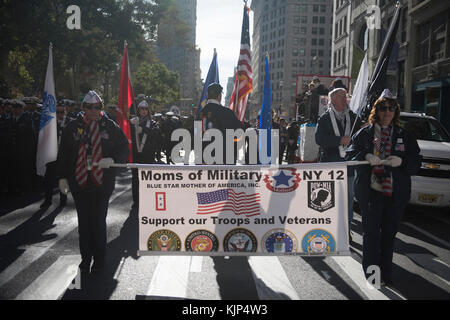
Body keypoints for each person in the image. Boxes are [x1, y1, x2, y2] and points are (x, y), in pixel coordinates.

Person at [346, 89, 421, 286]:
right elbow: (349, 154)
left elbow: (416, 162)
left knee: (389, 236)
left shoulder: (405, 135)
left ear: (395, 111)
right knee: (371, 236)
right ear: (376, 111)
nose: (387, 112)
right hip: (371, 193)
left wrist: (402, 162)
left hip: (395, 194)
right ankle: (372, 275)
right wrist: (366, 156)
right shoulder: (366, 133)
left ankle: (386, 274)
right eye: (383, 108)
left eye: (391, 108)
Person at [57, 90, 129, 273]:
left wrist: (113, 159)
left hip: (102, 183)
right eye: (89, 107)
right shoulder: (73, 127)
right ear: (83, 108)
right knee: (84, 223)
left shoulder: (110, 126)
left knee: (98, 222)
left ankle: (99, 259)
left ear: (101, 108)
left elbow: (123, 148)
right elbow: (64, 154)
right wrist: (62, 178)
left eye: (97, 107)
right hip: (79, 184)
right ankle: (85, 257)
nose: (93, 110)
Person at [315, 88, 361, 237]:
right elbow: (319, 139)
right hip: (331, 166)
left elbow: (361, 138)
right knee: (330, 200)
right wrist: (339, 140)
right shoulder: (324, 118)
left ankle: (345, 230)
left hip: (348, 167)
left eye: (345, 96)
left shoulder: (354, 118)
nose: (344, 99)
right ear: (332, 99)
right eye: (341, 96)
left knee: (348, 201)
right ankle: (330, 229)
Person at [40, 100, 74, 208]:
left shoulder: (71, 122)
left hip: (65, 156)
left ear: (66, 111)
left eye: (62, 112)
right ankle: (47, 200)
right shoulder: (50, 122)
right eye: (57, 112)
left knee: (63, 179)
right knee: (48, 179)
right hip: (52, 155)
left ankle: (63, 200)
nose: (59, 114)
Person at [198, 83, 242, 164]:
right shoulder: (227, 113)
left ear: (207, 95)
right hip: (224, 160)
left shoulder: (200, 113)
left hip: (204, 160)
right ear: (220, 96)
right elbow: (238, 134)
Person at [130, 100, 160, 209]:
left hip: (148, 155)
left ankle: (147, 199)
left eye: (146, 108)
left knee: (147, 179)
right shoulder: (133, 122)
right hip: (136, 154)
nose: (144, 110)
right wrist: (131, 126)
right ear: (138, 110)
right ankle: (136, 201)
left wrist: (143, 129)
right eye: (141, 108)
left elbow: (156, 133)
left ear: (148, 111)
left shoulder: (152, 123)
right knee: (135, 179)